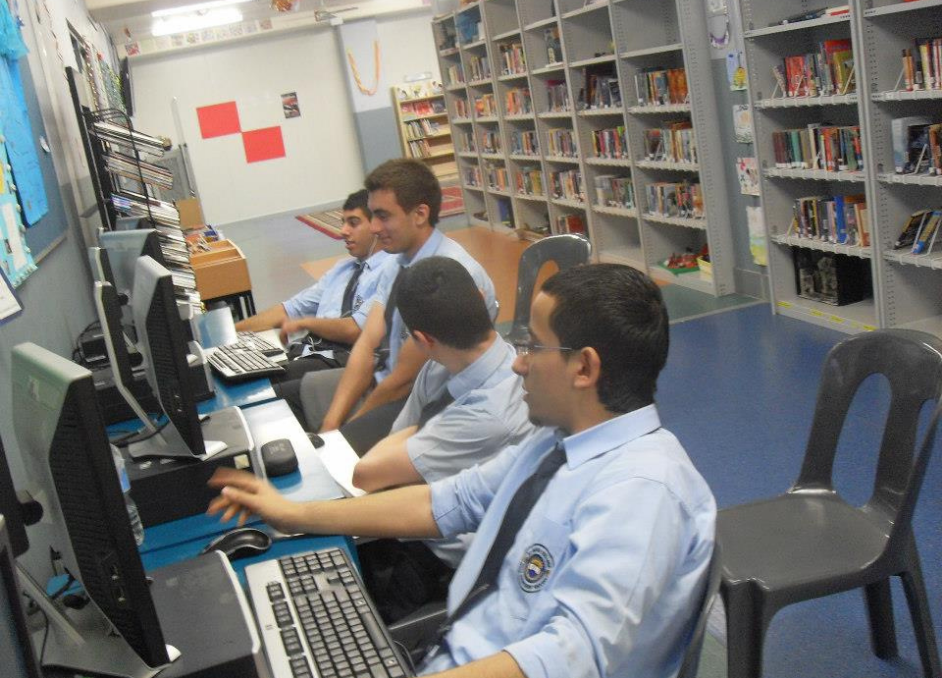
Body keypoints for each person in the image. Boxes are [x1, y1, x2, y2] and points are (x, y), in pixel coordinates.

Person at [209, 263, 716, 678]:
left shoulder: (643, 492)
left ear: (583, 368)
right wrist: (293, 513)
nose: (518, 364)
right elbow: (447, 501)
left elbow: (571, 655)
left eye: (534, 347)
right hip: (464, 644)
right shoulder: (556, 440)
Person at [349, 257, 535, 621]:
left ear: (421, 340)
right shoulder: (440, 366)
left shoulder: (492, 412)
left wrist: (421, 436)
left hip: (442, 564)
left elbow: (368, 472)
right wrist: (426, 436)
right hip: (414, 517)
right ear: (481, 299)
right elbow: (395, 448)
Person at [296, 159, 497, 435]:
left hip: (429, 404)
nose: (375, 228)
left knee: (340, 453)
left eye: (383, 216)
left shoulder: (450, 275)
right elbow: (367, 345)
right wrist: (332, 422)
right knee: (289, 398)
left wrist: (345, 432)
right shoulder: (396, 263)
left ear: (420, 214)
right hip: (384, 383)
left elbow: (403, 382)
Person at [235, 190, 392, 382]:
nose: (343, 231)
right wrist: (233, 333)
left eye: (353, 223)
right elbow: (289, 309)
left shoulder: (390, 273)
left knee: (261, 385)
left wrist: (306, 323)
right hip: (312, 354)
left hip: (343, 364)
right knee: (248, 371)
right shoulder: (343, 269)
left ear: (376, 226)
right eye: (343, 222)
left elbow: (355, 330)